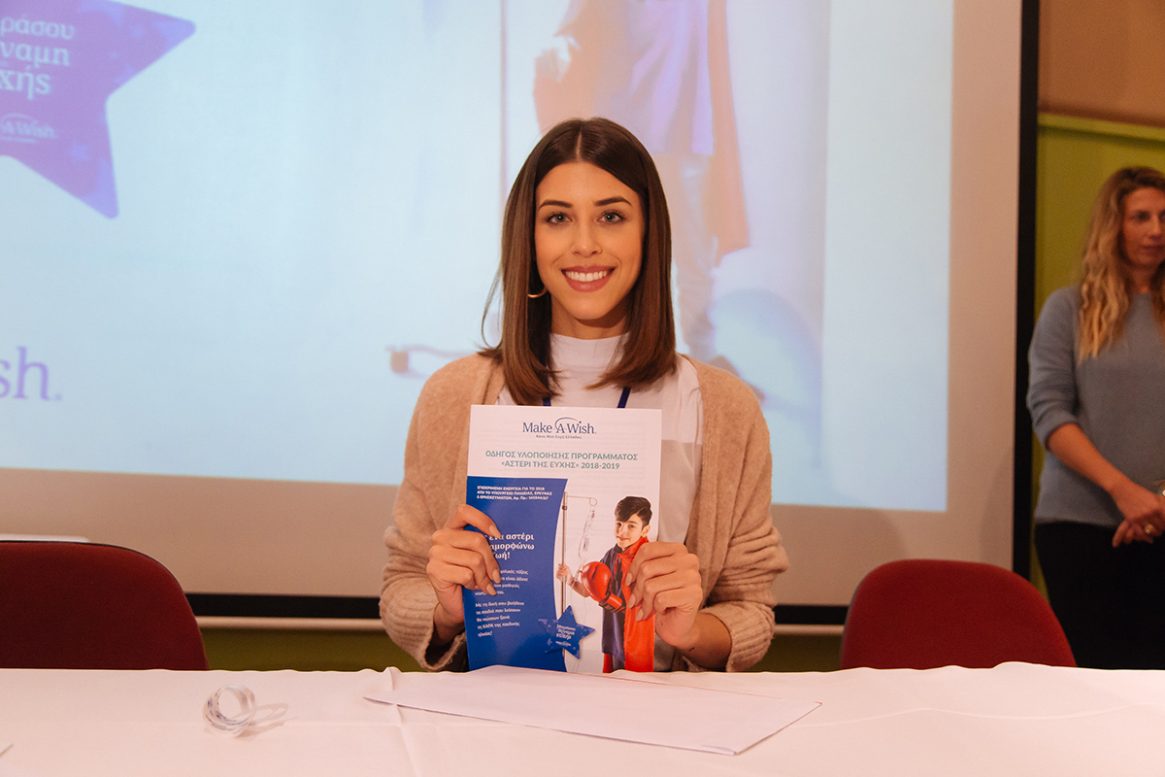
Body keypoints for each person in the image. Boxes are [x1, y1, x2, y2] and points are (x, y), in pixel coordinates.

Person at [380, 117, 788, 672]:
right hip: (495, 716)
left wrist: (691, 630)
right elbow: (403, 583)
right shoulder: (453, 396)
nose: (585, 244)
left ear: (649, 235)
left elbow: (750, 608)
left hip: (657, 720)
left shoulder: (723, 408)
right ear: (529, 239)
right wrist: (448, 609)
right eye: (557, 218)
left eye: (611, 216)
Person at [1028, 166, 1165, 669]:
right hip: (1079, 528)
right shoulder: (1069, 309)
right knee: (1091, 679)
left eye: (1164, 217)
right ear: (1114, 225)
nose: (1156, 230)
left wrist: (1159, 504)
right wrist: (1124, 491)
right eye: (1141, 217)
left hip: (1162, 524)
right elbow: (1049, 412)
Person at [557, 496, 656, 673]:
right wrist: (570, 579)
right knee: (612, 679)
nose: (622, 531)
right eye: (619, 523)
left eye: (631, 526)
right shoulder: (611, 555)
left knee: (635, 681)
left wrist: (605, 598)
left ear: (645, 530)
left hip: (635, 636)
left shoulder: (648, 557)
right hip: (614, 633)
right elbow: (588, 591)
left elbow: (634, 605)